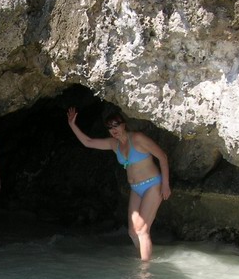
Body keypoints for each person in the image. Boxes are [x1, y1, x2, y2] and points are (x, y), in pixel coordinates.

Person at [66, 107, 171, 261]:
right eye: (109, 127)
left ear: (123, 124)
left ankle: (145, 271)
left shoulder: (137, 138)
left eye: (116, 125)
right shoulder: (114, 144)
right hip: (136, 189)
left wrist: (165, 184)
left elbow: (162, 157)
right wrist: (72, 125)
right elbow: (88, 142)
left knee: (142, 230)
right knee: (133, 232)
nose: (113, 129)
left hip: (152, 185)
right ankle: (145, 258)